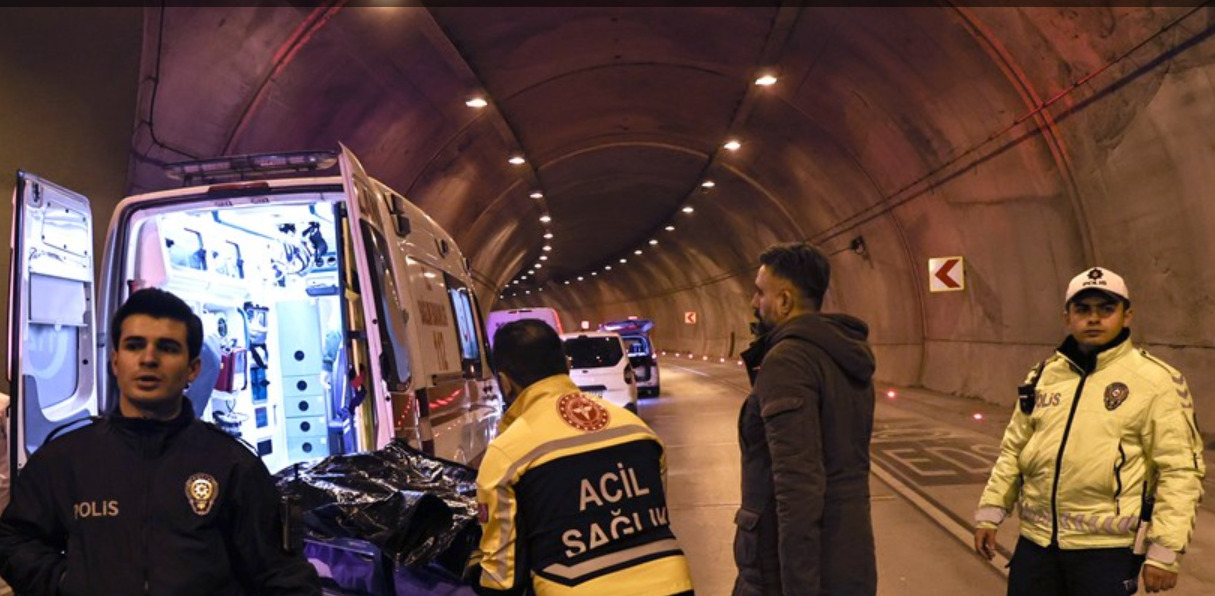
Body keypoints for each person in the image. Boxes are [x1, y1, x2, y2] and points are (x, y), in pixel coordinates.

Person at [0, 288, 322, 596]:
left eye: (167, 348)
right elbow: (14, 539)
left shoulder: (232, 465)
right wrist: (67, 582)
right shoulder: (66, 459)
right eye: (134, 345)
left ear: (192, 368)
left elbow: (280, 574)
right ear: (115, 362)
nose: (149, 359)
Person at [974, 267, 1205, 595]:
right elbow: (1013, 450)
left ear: (1127, 316)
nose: (1093, 318)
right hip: (1036, 547)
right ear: (1067, 317)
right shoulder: (1042, 376)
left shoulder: (1157, 381)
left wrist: (1165, 553)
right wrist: (989, 515)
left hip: (1106, 553)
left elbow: (1180, 470)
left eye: (1105, 309)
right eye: (1083, 310)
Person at [472, 319, 694, 596]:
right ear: (566, 365)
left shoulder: (507, 454)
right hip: (673, 586)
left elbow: (502, 577)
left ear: (504, 383)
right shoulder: (638, 431)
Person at [733, 242, 877, 596]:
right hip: (847, 554)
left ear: (783, 301)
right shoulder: (841, 354)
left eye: (759, 292)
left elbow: (798, 487)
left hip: (785, 573)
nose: (755, 303)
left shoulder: (789, 360)